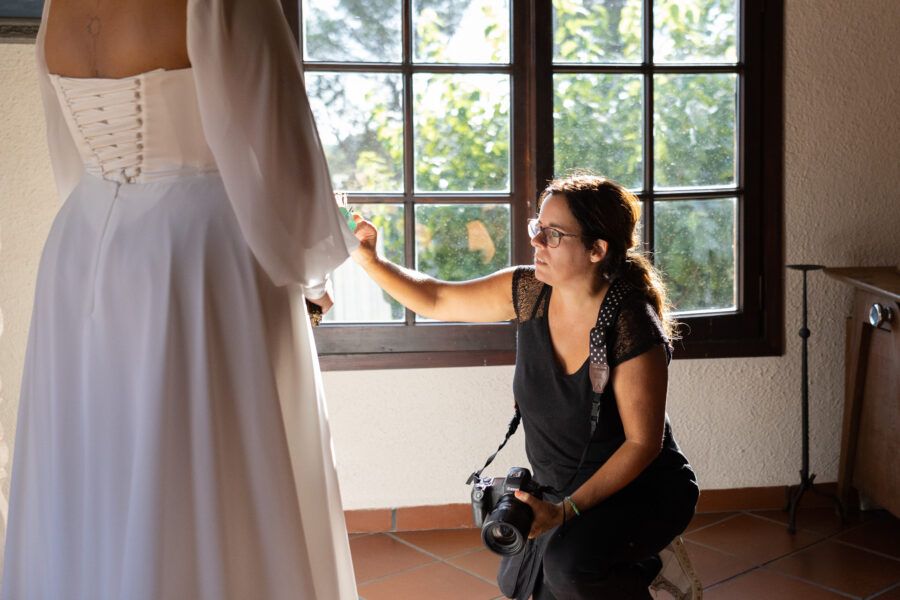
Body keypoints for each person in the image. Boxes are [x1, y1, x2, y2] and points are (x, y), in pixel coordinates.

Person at [1, 0, 359, 598]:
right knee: (204, 463)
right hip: (196, 251)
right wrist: (311, 274)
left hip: (82, 247)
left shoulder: (55, 6)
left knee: (97, 452)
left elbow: (66, 144)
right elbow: (275, 131)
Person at [351, 174, 700, 599]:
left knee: (569, 567)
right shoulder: (529, 291)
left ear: (597, 250)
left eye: (553, 235)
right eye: (538, 227)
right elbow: (436, 299)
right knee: (521, 580)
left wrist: (565, 511)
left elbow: (642, 445)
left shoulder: (630, 323)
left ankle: (642, 566)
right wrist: (369, 259)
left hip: (638, 490)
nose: (536, 242)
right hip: (559, 489)